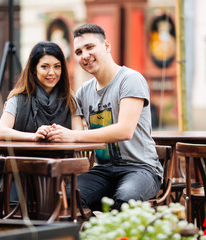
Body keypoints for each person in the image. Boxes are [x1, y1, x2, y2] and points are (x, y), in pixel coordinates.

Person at [46, 24, 163, 210]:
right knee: (67, 198)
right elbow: (71, 129)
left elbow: (124, 131)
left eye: (90, 47)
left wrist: (72, 135)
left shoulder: (130, 79)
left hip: (141, 168)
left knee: (125, 199)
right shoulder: (83, 92)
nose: (84, 55)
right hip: (103, 170)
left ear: (107, 46)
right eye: (78, 51)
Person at [0, 41, 80, 201]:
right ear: (33, 69)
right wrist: (33, 136)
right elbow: (1, 132)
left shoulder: (70, 100)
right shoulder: (17, 98)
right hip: (21, 172)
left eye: (57, 66)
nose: (52, 72)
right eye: (45, 67)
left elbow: (79, 135)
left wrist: (61, 134)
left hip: (60, 177)